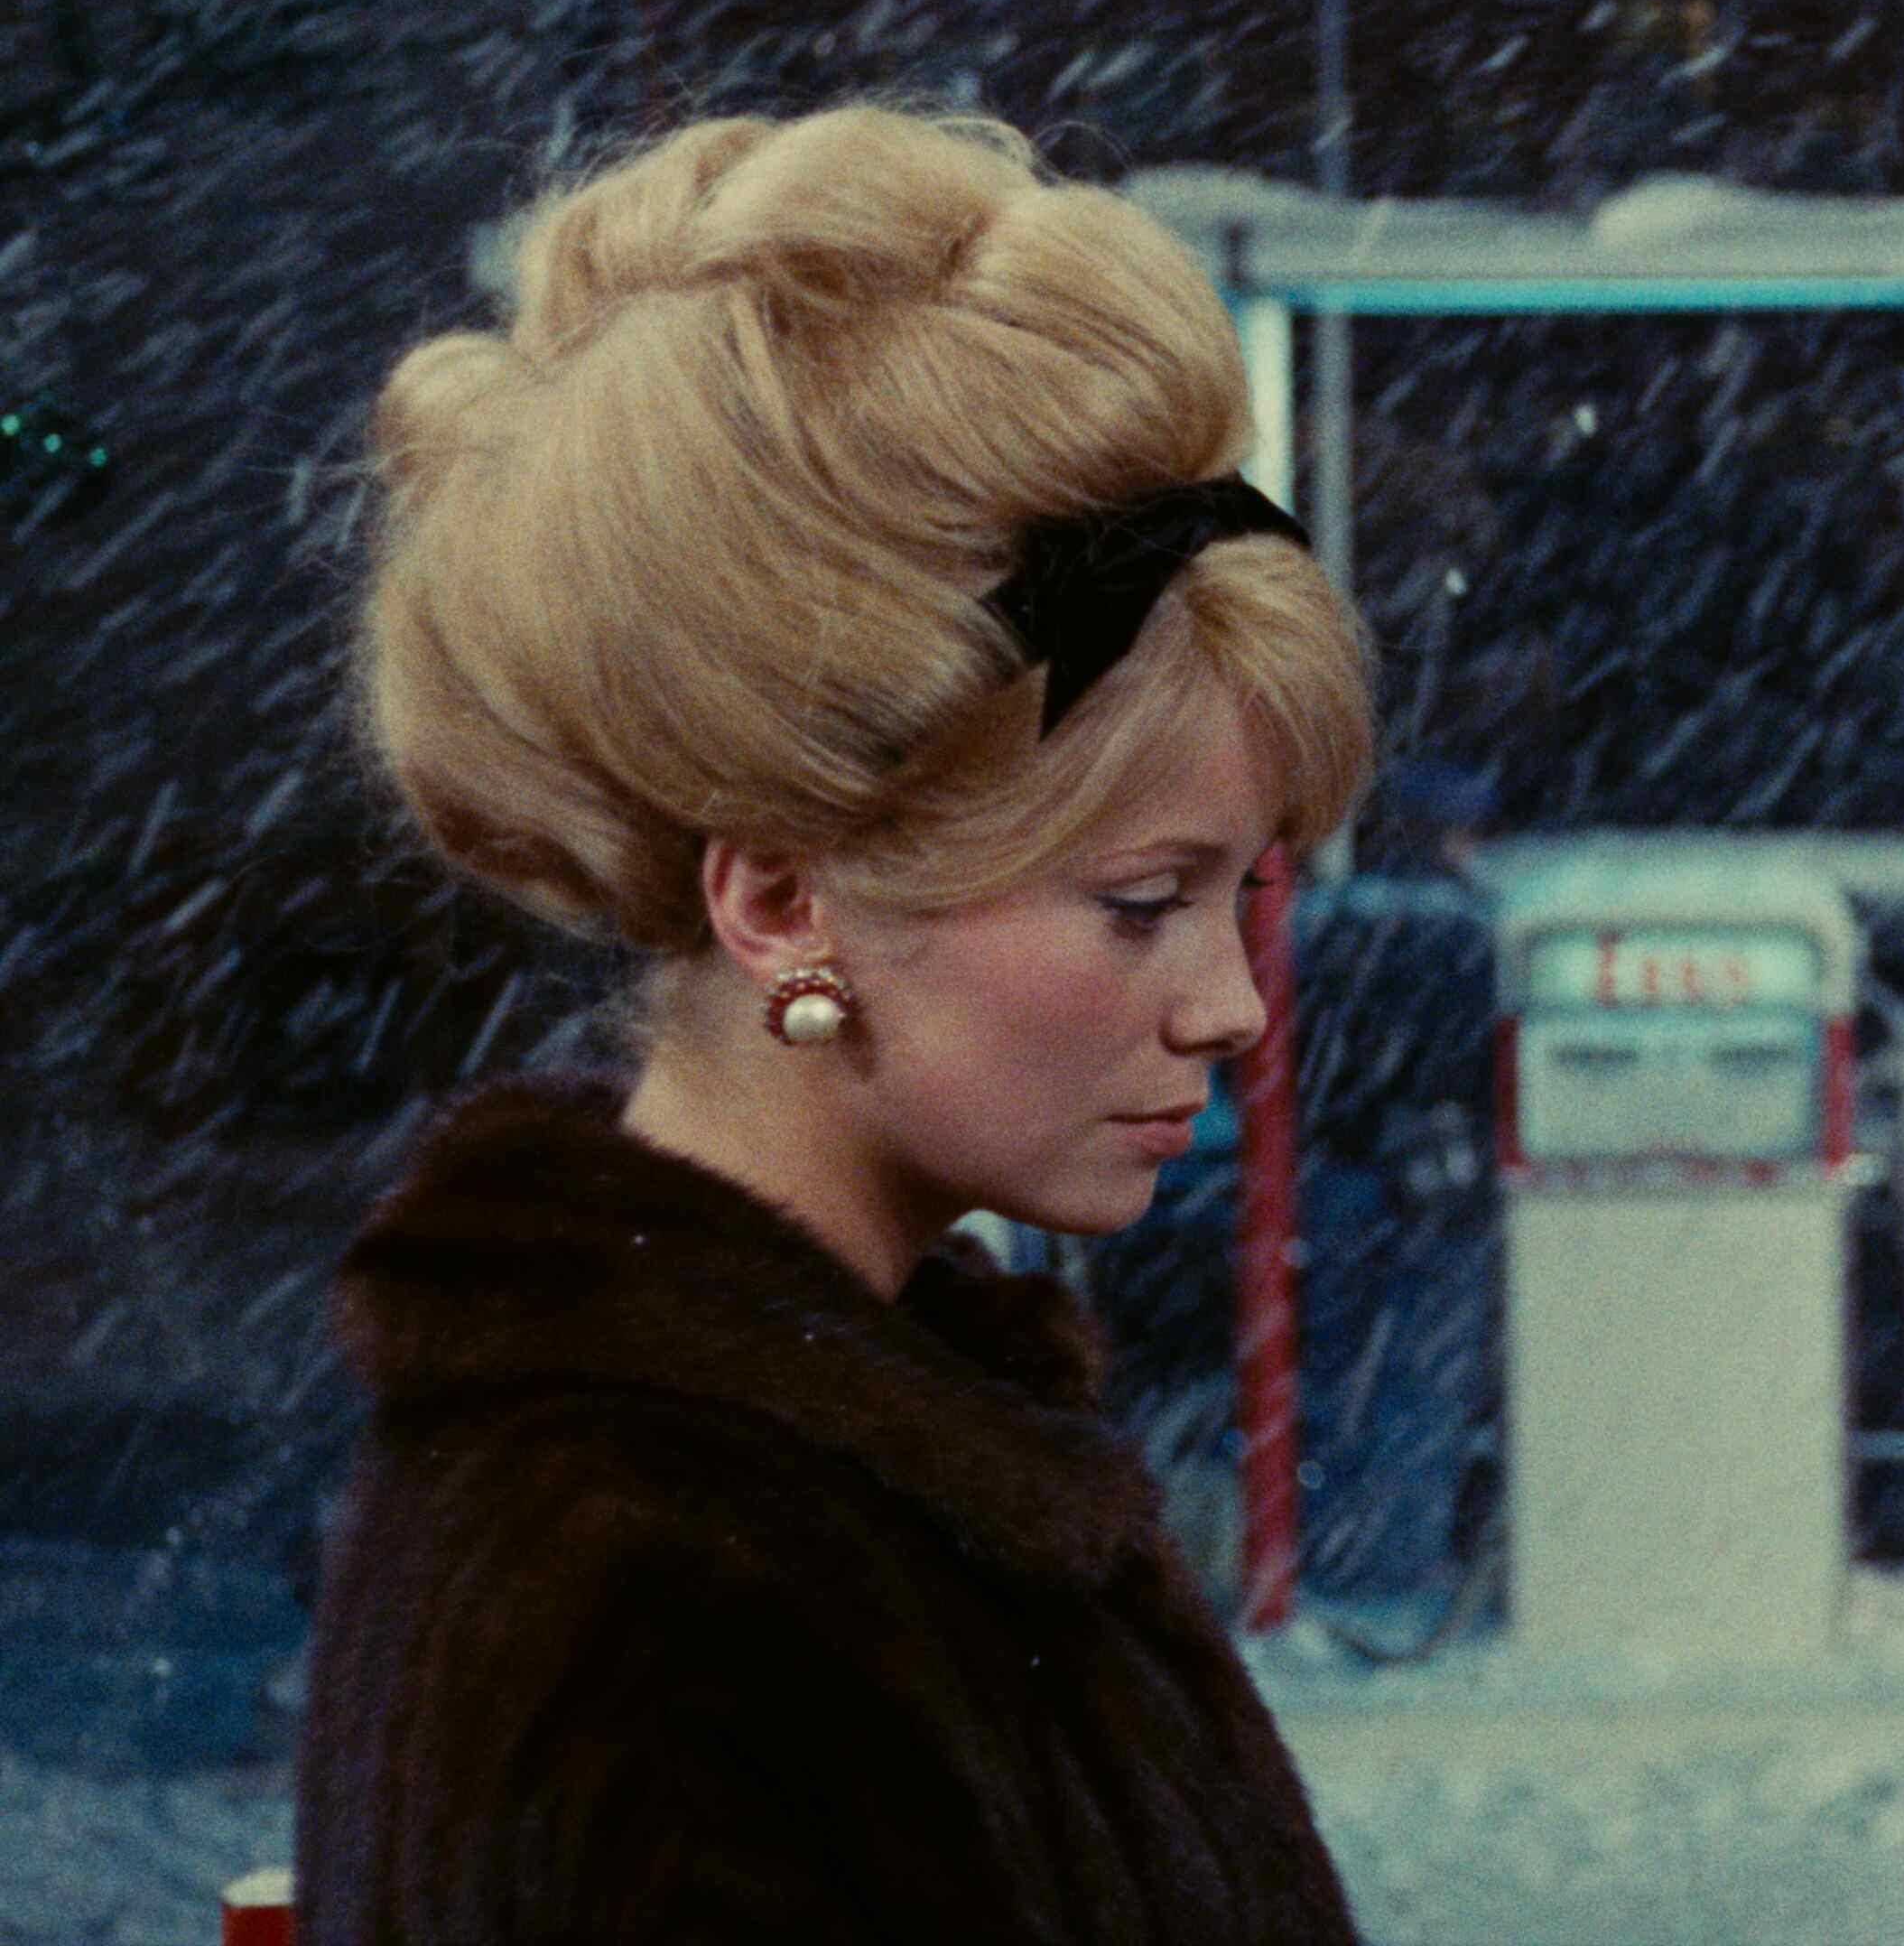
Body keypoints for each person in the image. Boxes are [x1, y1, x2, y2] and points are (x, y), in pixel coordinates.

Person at [299, 105, 1370, 1943]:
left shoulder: (803, 1477)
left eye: (1241, 893)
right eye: (1141, 905)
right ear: (784, 899)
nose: (1228, 1008)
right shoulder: (664, 1607)